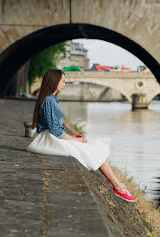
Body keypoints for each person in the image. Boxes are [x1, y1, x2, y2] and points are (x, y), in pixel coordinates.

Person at [27, 69, 134, 202]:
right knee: (93, 150)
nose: (65, 84)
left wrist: (71, 136)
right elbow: (55, 129)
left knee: (96, 148)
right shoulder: (49, 101)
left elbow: (55, 128)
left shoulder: (51, 100)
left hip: (52, 138)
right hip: (49, 140)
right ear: (54, 82)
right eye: (63, 81)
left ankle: (115, 184)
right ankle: (118, 187)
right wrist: (70, 138)